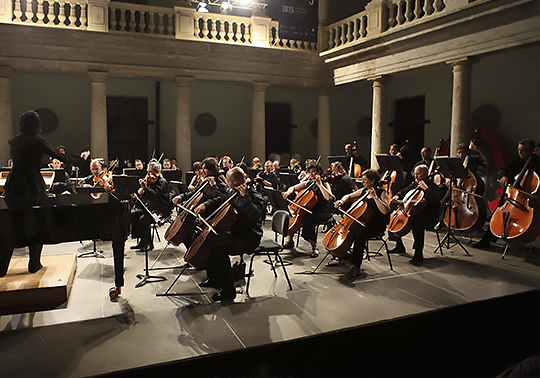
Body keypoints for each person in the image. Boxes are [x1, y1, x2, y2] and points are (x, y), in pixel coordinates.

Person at [0, 110, 66, 277]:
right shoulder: (38, 141)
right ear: (37, 125)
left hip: (13, 185)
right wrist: (74, 159)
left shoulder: (13, 140)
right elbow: (58, 155)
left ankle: (2, 268)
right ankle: (34, 263)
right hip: (32, 186)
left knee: (12, 225)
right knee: (37, 223)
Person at [193, 167, 265, 304]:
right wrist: (205, 205)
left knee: (219, 250)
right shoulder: (234, 193)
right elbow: (221, 200)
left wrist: (246, 197)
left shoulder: (254, 196)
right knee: (212, 242)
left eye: (227, 180)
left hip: (249, 238)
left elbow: (256, 215)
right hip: (236, 234)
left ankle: (228, 291)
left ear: (235, 181)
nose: (226, 183)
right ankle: (215, 278)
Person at [473, 139, 540, 248]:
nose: (520, 153)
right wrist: (502, 176)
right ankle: (487, 240)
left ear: (531, 150)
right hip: (513, 196)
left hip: (529, 199)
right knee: (499, 211)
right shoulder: (517, 161)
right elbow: (503, 169)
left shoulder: (537, 163)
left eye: (523, 150)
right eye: (519, 150)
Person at [332, 169, 390, 281]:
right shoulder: (364, 191)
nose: (362, 182)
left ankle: (355, 266)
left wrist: (375, 198)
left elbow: (385, 211)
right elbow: (348, 196)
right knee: (351, 232)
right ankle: (342, 256)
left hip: (376, 226)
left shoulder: (382, 193)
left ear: (373, 181)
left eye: (364, 180)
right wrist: (342, 201)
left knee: (359, 235)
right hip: (362, 223)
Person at [389, 164, 445, 264]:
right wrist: (397, 196)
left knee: (417, 223)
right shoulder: (415, 184)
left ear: (426, 174)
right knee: (393, 218)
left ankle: (418, 253)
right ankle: (399, 245)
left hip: (429, 215)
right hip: (414, 212)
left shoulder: (432, 186)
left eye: (418, 174)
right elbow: (403, 191)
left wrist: (426, 189)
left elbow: (436, 200)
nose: (416, 176)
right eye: (415, 174)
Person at [282, 162, 334, 257]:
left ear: (319, 172)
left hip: (322, 211)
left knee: (307, 221)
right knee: (292, 216)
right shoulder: (308, 183)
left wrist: (319, 185)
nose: (311, 174)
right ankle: (289, 240)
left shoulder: (325, 183)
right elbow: (293, 187)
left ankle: (315, 247)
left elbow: (328, 197)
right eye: (310, 172)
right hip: (309, 210)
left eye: (314, 172)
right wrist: (288, 192)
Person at [130, 160, 172, 252]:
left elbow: (155, 195)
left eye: (150, 171)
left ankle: (148, 244)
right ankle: (142, 241)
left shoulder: (162, 181)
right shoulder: (151, 181)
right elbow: (147, 196)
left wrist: (146, 188)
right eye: (148, 171)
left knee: (143, 219)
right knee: (134, 215)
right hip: (151, 208)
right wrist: (142, 191)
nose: (148, 174)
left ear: (157, 172)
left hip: (161, 209)